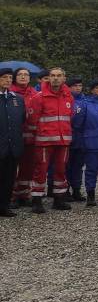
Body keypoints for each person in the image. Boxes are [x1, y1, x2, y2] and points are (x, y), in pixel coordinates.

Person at [27, 67, 75, 212]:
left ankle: (58, 199)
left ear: (64, 79)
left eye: (59, 75)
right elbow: (32, 120)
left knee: (61, 170)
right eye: (52, 75)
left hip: (63, 141)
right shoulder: (39, 97)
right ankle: (37, 200)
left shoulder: (69, 96)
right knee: (40, 170)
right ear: (48, 78)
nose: (55, 78)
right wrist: (39, 135)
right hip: (44, 141)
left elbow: (69, 117)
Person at [0, 68, 26, 218]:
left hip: (13, 146)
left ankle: (4, 206)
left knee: (9, 178)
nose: (8, 80)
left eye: (10, 77)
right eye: (5, 77)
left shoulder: (17, 99)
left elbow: (21, 120)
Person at [10, 67, 37, 208]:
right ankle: (12, 195)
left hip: (31, 138)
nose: (23, 77)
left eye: (26, 75)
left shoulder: (35, 93)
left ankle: (24, 194)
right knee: (12, 168)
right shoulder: (9, 93)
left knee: (28, 168)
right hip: (14, 137)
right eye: (20, 74)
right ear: (15, 77)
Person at [65, 76, 87, 202]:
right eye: (75, 86)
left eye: (80, 86)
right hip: (68, 138)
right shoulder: (66, 100)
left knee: (78, 166)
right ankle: (65, 190)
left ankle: (77, 190)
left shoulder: (85, 101)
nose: (78, 88)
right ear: (69, 87)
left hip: (81, 139)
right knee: (66, 166)